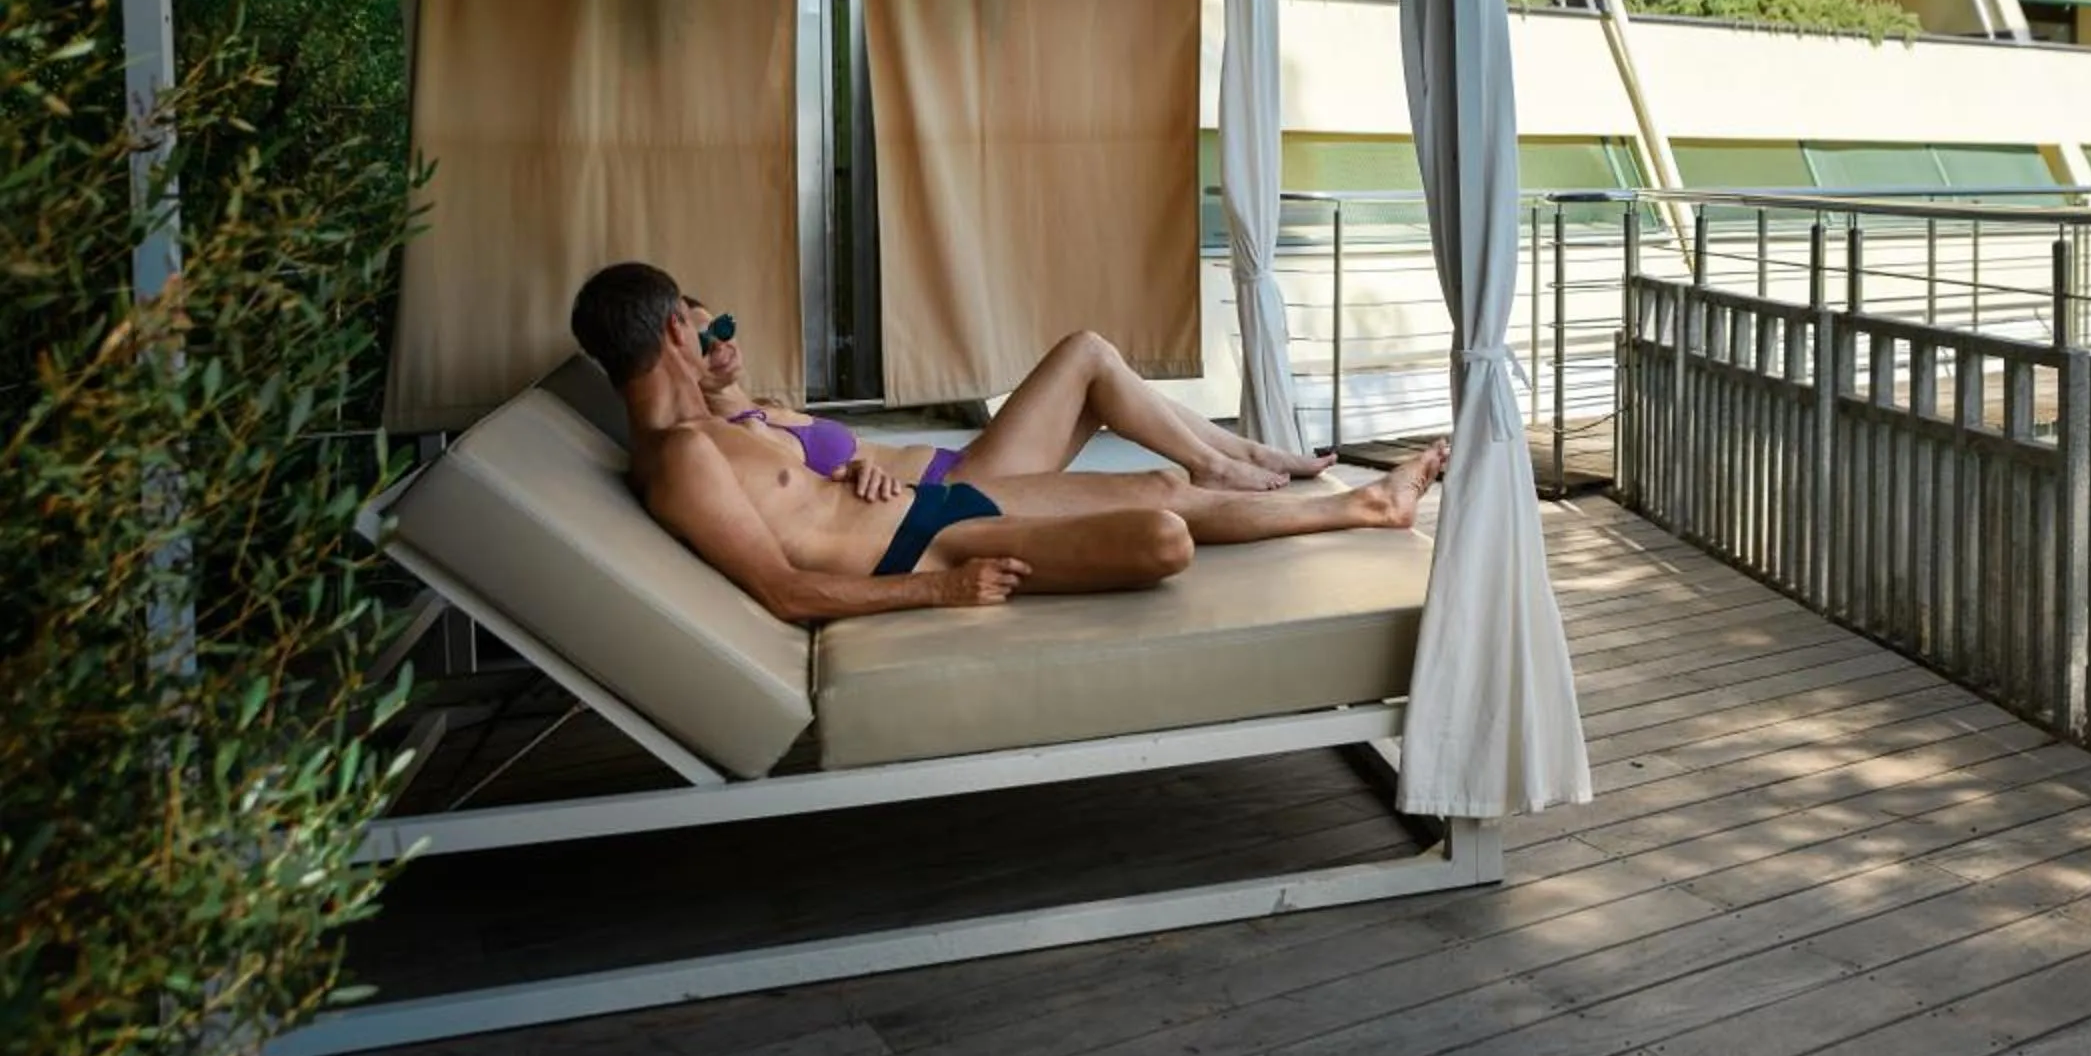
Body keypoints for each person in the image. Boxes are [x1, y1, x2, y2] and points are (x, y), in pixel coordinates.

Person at [570, 262, 1447, 622]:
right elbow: (787, 592)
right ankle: (1324, 493)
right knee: (1163, 538)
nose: (711, 333)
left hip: (928, 504)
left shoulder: (709, 432)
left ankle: (1368, 505)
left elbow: (821, 478)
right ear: (674, 337)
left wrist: (863, 466)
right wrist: (942, 590)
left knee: (1154, 490)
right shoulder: (681, 459)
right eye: (698, 321)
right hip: (925, 547)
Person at [686, 298, 1330, 496]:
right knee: (1086, 352)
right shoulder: (736, 434)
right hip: (957, 490)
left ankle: (1252, 451)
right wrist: (858, 469)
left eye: (722, 326)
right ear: (679, 363)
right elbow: (797, 497)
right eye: (702, 341)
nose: (721, 344)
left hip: (952, 468)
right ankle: (1214, 466)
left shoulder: (761, 403)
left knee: (1105, 384)